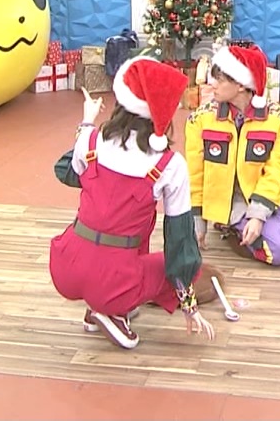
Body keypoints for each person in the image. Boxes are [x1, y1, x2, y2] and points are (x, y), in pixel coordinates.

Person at [49, 57, 219, 350]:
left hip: (66, 266)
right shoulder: (169, 165)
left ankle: (100, 306)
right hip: (114, 279)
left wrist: (87, 123)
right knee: (178, 263)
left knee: (124, 232)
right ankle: (112, 311)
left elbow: (66, 171)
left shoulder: (91, 140)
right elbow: (180, 241)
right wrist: (189, 304)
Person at [186, 42, 280, 266]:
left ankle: (269, 225)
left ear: (241, 85)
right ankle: (231, 226)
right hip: (232, 201)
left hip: (273, 196)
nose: (212, 84)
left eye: (219, 79)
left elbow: (278, 170)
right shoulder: (200, 119)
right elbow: (195, 173)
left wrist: (259, 214)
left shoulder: (278, 118)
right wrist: (197, 219)